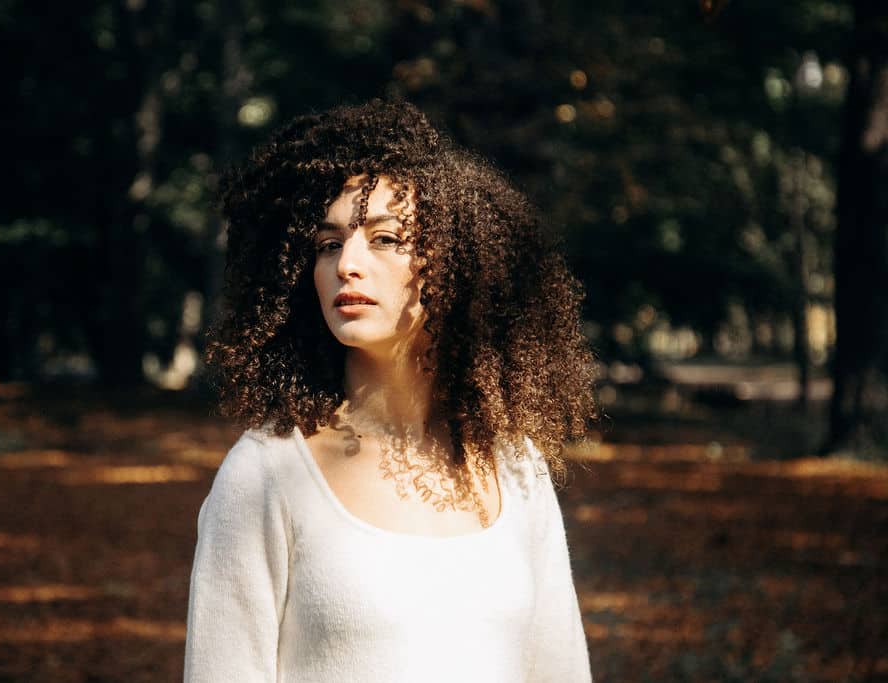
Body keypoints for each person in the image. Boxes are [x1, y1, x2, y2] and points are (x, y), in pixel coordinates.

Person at [183, 99, 597, 682]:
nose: (348, 263)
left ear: (457, 264)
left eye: (385, 238)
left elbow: (562, 671)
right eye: (328, 244)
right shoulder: (265, 473)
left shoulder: (515, 464)